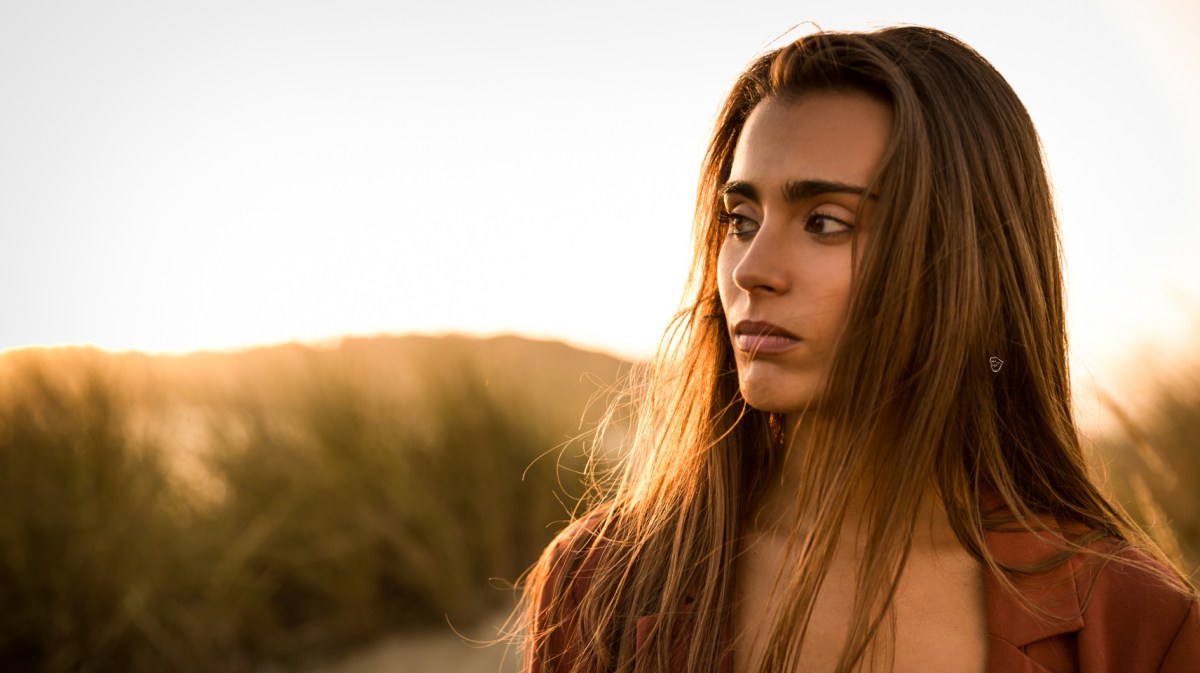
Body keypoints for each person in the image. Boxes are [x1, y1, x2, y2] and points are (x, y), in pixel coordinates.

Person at [519, 25, 1200, 672]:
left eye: (824, 222)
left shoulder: (1138, 624)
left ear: (967, 264)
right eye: (741, 219)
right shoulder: (601, 582)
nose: (753, 268)